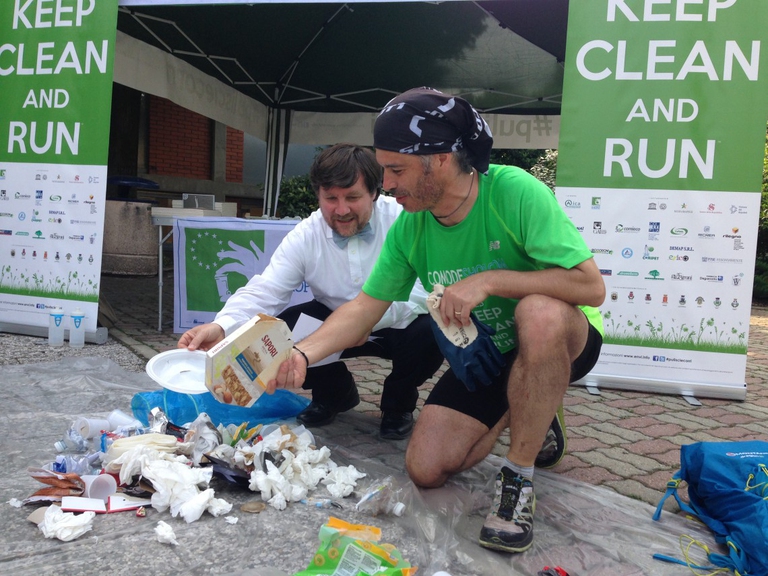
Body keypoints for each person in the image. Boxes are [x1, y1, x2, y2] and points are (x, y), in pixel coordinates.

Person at [266, 88, 605, 554]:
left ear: (440, 159)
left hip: (560, 337)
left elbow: (590, 286)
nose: (386, 184)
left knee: (538, 311)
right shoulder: (411, 226)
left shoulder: (514, 191)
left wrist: (490, 280)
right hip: (489, 352)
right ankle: (536, 403)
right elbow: (364, 310)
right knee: (425, 468)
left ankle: (518, 477)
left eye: (396, 169)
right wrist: (302, 355)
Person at [178, 143, 444, 440]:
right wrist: (221, 326)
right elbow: (266, 289)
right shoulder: (306, 234)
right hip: (332, 319)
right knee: (283, 329)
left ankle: (398, 404)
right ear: (318, 195)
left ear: (374, 192)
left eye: (352, 197)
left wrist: (366, 320)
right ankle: (334, 393)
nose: (341, 210)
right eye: (331, 198)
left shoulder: (406, 219)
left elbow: (426, 289)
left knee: (431, 332)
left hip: (402, 320)